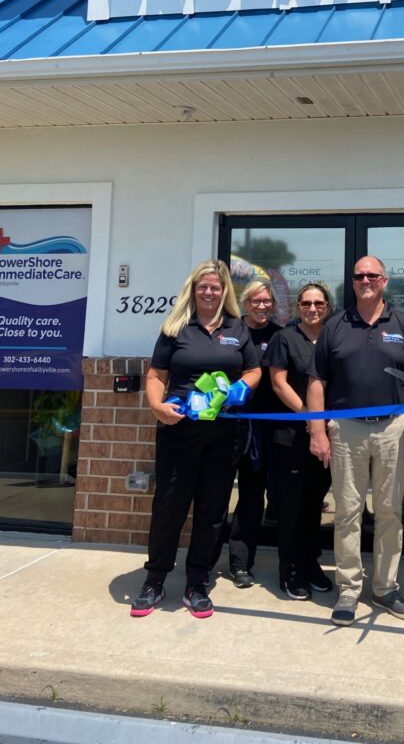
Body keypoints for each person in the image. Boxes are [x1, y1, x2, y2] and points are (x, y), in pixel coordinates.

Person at [130, 260, 261, 619]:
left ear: (224, 292)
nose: (209, 292)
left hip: (224, 432)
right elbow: (157, 374)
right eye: (203, 286)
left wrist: (240, 389)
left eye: (215, 287)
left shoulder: (237, 327)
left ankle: (197, 582)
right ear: (193, 289)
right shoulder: (175, 328)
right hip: (179, 431)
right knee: (170, 505)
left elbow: (253, 369)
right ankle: (154, 579)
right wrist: (157, 407)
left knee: (212, 509)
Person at [307, 256, 404, 626]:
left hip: (394, 428)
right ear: (353, 281)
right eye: (359, 276)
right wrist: (317, 430)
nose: (365, 280)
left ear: (384, 281)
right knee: (347, 511)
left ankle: (386, 587)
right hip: (346, 430)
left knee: (390, 511)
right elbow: (316, 381)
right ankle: (348, 588)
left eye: (372, 275)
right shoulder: (336, 326)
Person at [264, 282, 334, 600]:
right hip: (291, 437)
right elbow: (278, 383)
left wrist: (322, 424)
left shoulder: (333, 339)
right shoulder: (284, 338)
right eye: (306, 303)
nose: (312, 308)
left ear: (328, 307)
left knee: (314, 503)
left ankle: (311, 563)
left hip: (327, 436)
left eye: (318, 303)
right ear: (297, 308)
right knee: (291, 505)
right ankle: (290, 570)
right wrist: (309, 415)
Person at [223, 277, 282, 588]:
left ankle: (241, 564)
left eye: (267, 301)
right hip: (228, 424)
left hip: (266, 429)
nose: (262, 306)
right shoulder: (229, 332)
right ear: (244, 304)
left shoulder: (280, 335)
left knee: (251, 496)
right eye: (256, 301)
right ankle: (204, 562)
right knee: (216, 494)